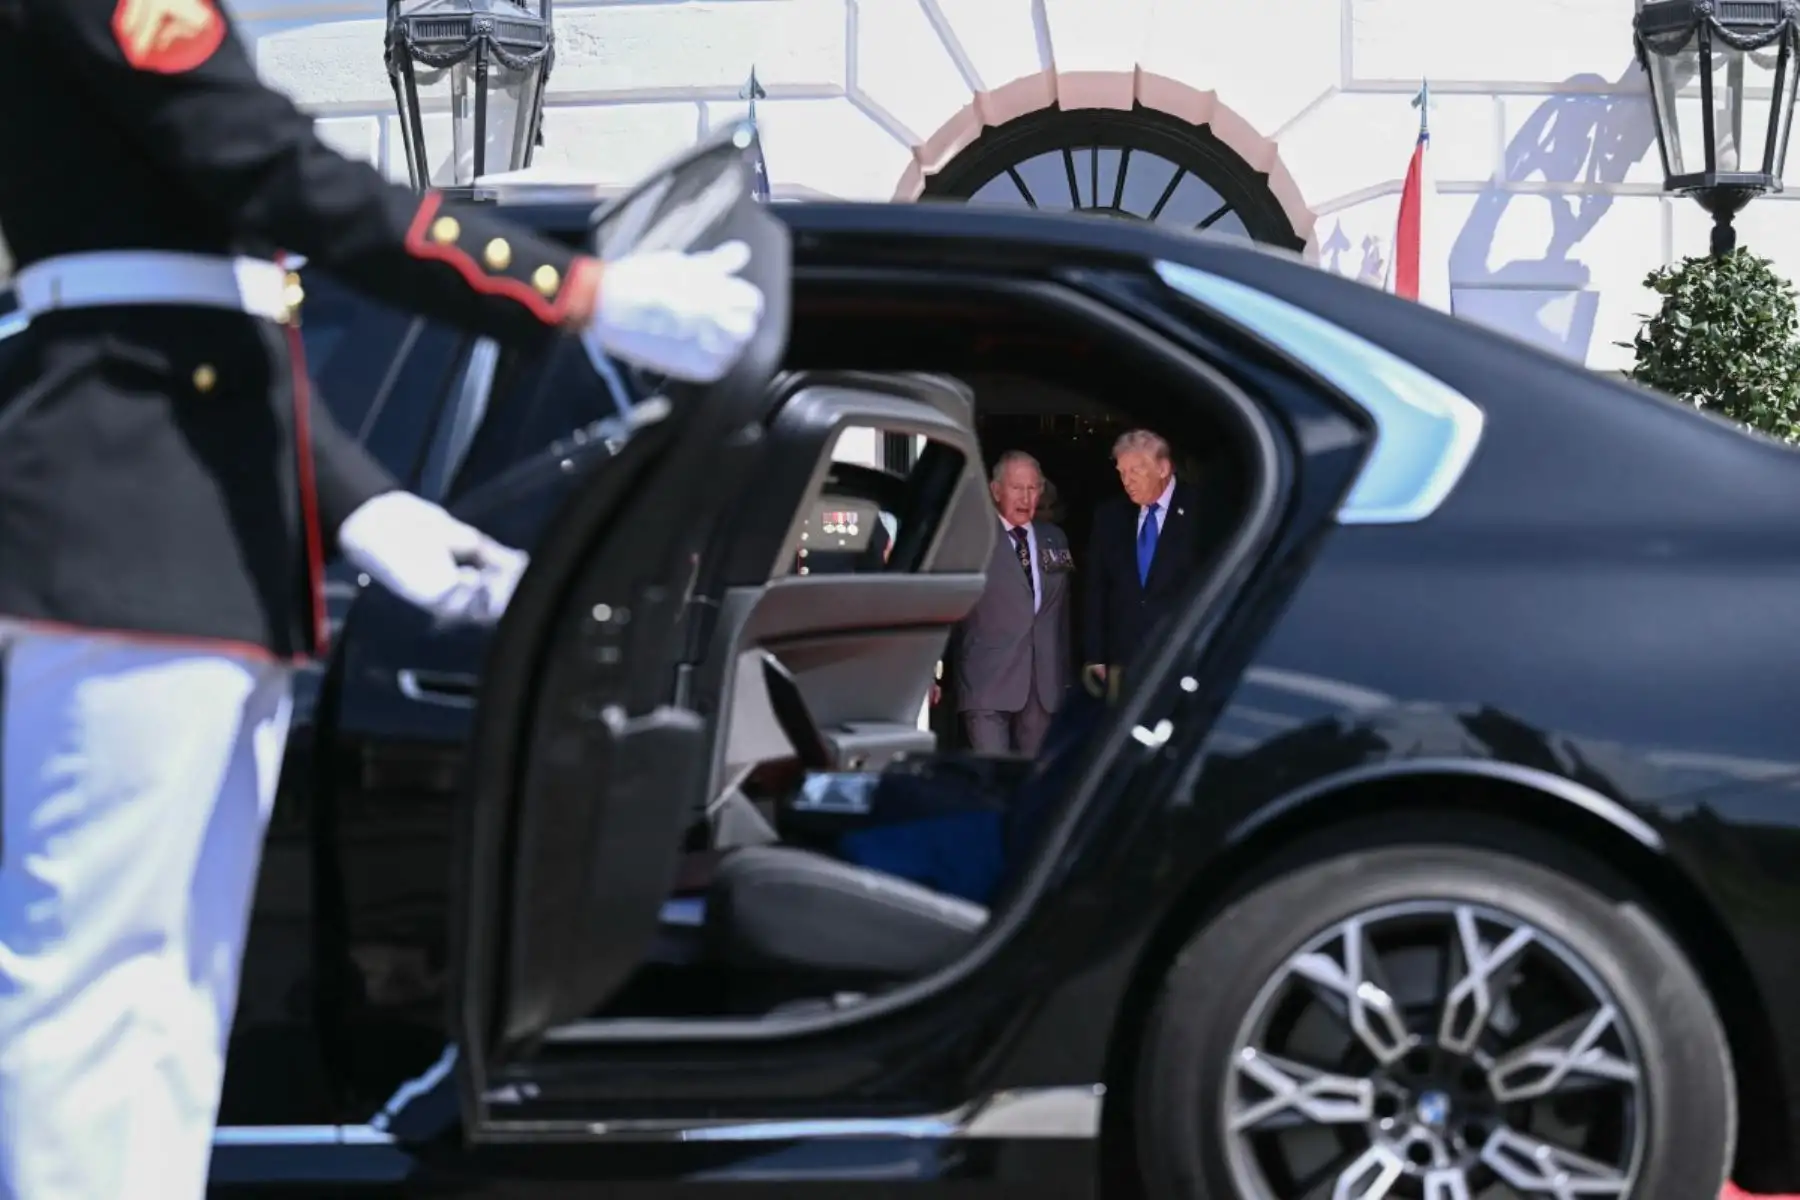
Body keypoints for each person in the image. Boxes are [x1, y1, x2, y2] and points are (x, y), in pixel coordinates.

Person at [0, 2, 765, 1196]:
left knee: (167, 1006)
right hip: (128, 528)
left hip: (182, 534)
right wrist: (574, 292)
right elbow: (275, 171)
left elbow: (222, 324)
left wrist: (365, 507)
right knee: (93, 992)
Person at [950, 451, 1073, 757]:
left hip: (1043, 685)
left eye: (1033, 488)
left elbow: (1062, 616)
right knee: (991, 776)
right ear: (995, 491)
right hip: (986, 681)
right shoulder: (973, 539)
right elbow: (948, 606)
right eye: (1017, 488)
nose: (1026, 497)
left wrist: (1065, 676)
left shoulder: (1054, 539)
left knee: (1035, 782)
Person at [1083, 429, 1202, 679]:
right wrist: (1095, 654)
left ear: (1163, 468)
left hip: (1181, 656)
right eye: (1122, 472)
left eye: (1135, 470)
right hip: (1122, 658)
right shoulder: (1109, 515)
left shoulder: (1202, 511)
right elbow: (1096, 588)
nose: (1127, 481)